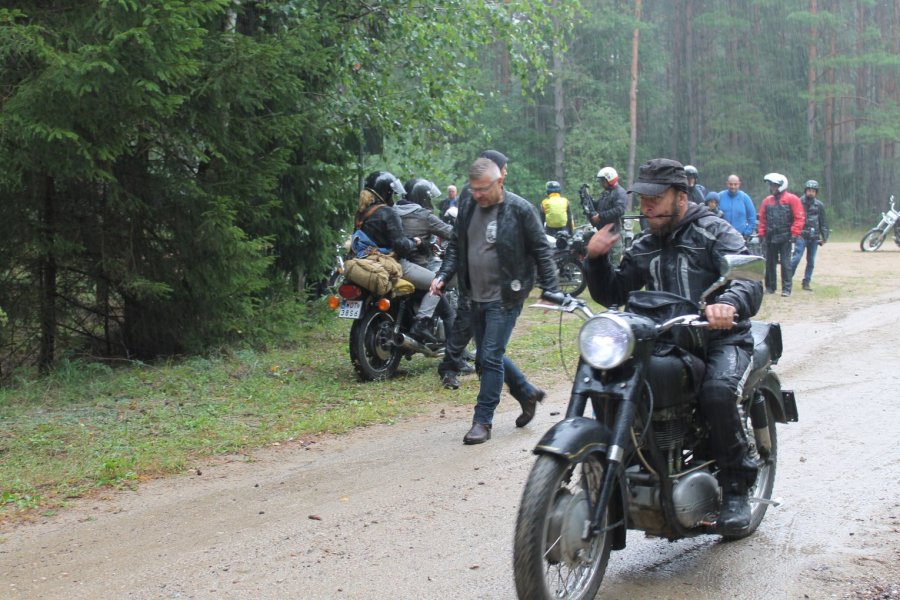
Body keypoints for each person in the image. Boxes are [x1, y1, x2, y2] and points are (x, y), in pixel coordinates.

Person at [583, 157, 764, 535]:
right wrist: (596, 259)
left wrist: (728, 304)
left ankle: (735, 488)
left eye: (655, 198)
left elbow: (748, 277)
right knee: (612, 377)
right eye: (643, 199)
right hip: (667, 340)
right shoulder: (645, 243)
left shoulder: (714, 230)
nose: (647, 207)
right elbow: (615, 293)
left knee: (717, 393)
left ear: (680, 197)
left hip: (720, 338)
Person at [430, 157, 559, 444]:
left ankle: (482, 421)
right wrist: (443, 275)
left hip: (505, 296)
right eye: (473, 189)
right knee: (489, 355)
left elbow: (541, 249)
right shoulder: (468, 205)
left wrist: (550, 288)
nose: (476, 195)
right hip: (473, 295)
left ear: (499, 181)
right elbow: (456, 245)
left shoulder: (520, 209)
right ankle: (526, 392)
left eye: (483, 189)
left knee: (488, 357)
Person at [437, 150, 509, 390]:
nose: (506, 173)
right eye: (503, 168)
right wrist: (444, 275)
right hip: (472, 276)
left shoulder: (502, 197)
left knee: (487, 326)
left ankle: (482, 367)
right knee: (465, 322)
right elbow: (457, 241)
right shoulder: (470, 197)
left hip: (494, 277)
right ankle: (448, 367)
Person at [355, 171, 442, 343]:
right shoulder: (388, 212)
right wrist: (415, 242)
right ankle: (421, 323)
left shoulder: (362, 213)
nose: (394, 197)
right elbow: (400, 245)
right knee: (438, 282)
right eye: (392, 193)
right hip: (391, 263)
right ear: (386, 192)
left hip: (365, 261)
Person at [758, 173, 805, 297]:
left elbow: (799, 217)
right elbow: (762, 219)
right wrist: (762, 234)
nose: (772, 188)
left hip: (786, 237)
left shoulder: (792, 199)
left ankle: (786, 289)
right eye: (771, 185)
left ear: (781, 186)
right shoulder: (766, 201)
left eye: (774, 185)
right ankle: (770, 287)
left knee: (786, 263)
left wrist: (795, 233)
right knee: (769, 263)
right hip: (770, 237)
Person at [790, 179, 829, 291]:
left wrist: (825, 237)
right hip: (801, 235)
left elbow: (823, 222)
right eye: (809, 190)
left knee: (811, 261)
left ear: (816, 192)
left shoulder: (819, 205)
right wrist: (793, 233)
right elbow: (792, 218)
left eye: (813, 191)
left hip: (814, 237)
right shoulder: (798, 202)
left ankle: (806, 282)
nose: (811, 193)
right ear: (805, 190)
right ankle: (788, 279)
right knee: (796, 258)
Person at [584, 166, 627, 265]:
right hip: (604, 233)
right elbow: (598, 206)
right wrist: (588, 199)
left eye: (603, 181)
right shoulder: (606, 193)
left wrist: (600, 216)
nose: (601, 184)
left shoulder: (620, 192)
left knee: (614, 264)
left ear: (610, 179)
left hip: (614, 233)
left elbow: (619, 210)